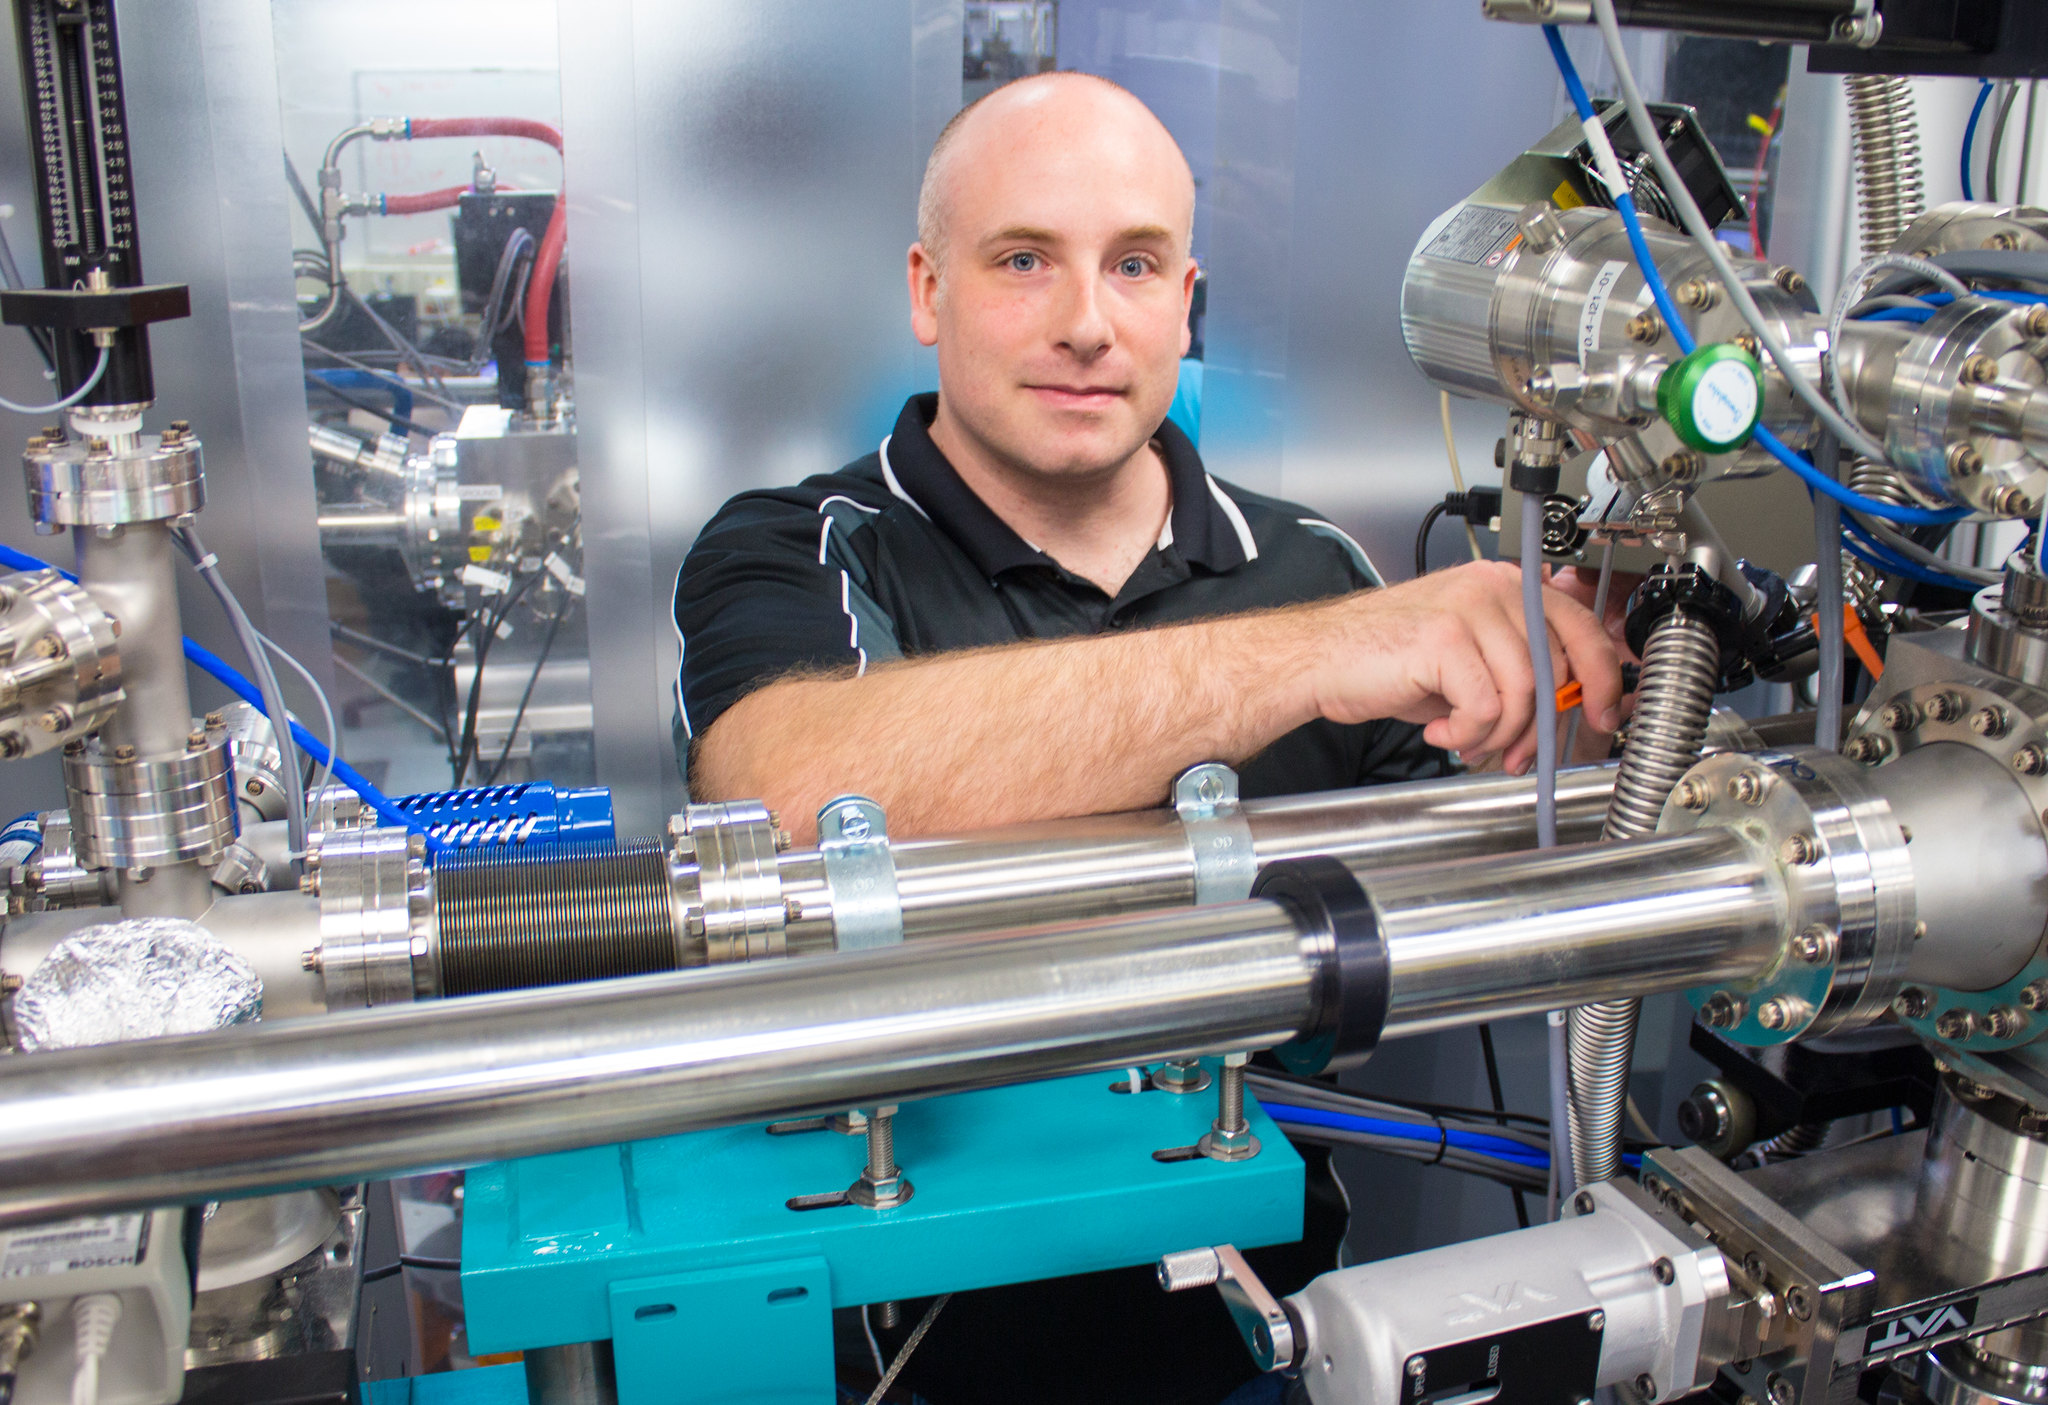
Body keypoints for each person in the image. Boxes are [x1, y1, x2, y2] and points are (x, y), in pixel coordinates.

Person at [673, 70, 1621, 1405]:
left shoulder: (1316, 565)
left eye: (1134, 264)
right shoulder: (801, 548)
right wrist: (1314, 656)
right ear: (926, 291)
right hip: (919, 1345)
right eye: (1022, 260)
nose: (1084, 324)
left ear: (1188, 302)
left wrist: (1573, 701)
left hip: (1276, 1333)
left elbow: (1485, 866)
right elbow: (792, 790)